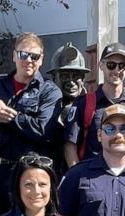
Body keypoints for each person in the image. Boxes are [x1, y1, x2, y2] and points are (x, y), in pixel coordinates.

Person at [0, 32, 62, 216]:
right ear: (14, 55)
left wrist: (11, 116)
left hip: (28, 174)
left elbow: (43, 130)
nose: (29, 60)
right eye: (23, 54)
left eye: (35, 56)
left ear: (41, 60)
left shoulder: (49, 91)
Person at [63, 42, 125, 168]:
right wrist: (76, 177)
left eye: (122, 65)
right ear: (101, 65)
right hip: (92, 180)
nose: (117, 70)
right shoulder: (84, 103)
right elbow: (70, 145)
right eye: (111, 65)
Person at [47, 42, 90, 177]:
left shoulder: (91, 107)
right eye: (65, 75)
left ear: (83, 79)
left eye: (76, 75)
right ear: (54, 78)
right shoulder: (44, 108)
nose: (71, 81)